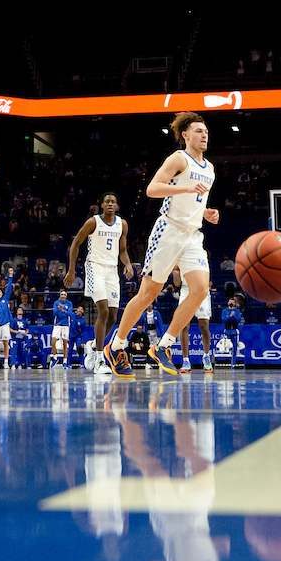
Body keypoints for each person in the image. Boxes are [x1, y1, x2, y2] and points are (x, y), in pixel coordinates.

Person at [105, 112, 218, 378]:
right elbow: (152, 189)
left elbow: (194, 201)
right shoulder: (179, 159)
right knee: (147, 295)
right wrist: (185, 188)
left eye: (206, 132)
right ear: (186, 135)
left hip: (192, 235)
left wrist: (206, 212)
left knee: (200, 290)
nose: (204, 135)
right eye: (199, 131)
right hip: (168, 231)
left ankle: (163, 346)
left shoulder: (210, 168)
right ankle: (117, 345)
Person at [64, 190, 133, 376]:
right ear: (101, 205)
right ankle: (99, 359)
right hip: (94, 268)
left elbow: (123, 250)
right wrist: (71, 270)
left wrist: (127, 264)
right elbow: (76, 243)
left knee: (112, 317)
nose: (110, 204)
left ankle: (93, 346)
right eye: (107, 201)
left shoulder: (122, 224)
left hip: (112, 270)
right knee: (102, 311)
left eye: (113, 201)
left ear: (117, 206)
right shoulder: (93, 222)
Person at [173, 264, 213, 373]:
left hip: (200, 288)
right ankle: (185, 360)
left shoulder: (200, 255)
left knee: (204, 325)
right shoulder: (180, 258)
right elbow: (177, 283)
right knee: (184, 326)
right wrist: (175, 273)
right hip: (186, 290)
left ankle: (206, 356)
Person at [49, 290, 73, 368]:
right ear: (60, 296)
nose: (63, 296)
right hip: (57, 324)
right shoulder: (56, 303)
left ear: (66, 296)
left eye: (64, 295)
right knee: (53, 341)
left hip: (65, 324)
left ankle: (65, 361)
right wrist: (59, 309)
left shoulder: (69, 303)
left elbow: (70, 313)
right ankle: (55, 358)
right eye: (61, 295)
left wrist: (63, 310)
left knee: (65, 343)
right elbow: (54, 313)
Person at [220, 298, 242, 367]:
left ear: (235, 304)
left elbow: (238, 320)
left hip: (235, 331)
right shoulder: (224, 311)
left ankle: (233, 363)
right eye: (230, 302)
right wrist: (230, 317)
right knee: (226, 347)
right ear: (228, 303)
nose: (231, 303)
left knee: (234, 348)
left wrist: (234, 316)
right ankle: (226, 363)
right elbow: (224, 320)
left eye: (233, 302)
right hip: (227, 331)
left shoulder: (237, 311)